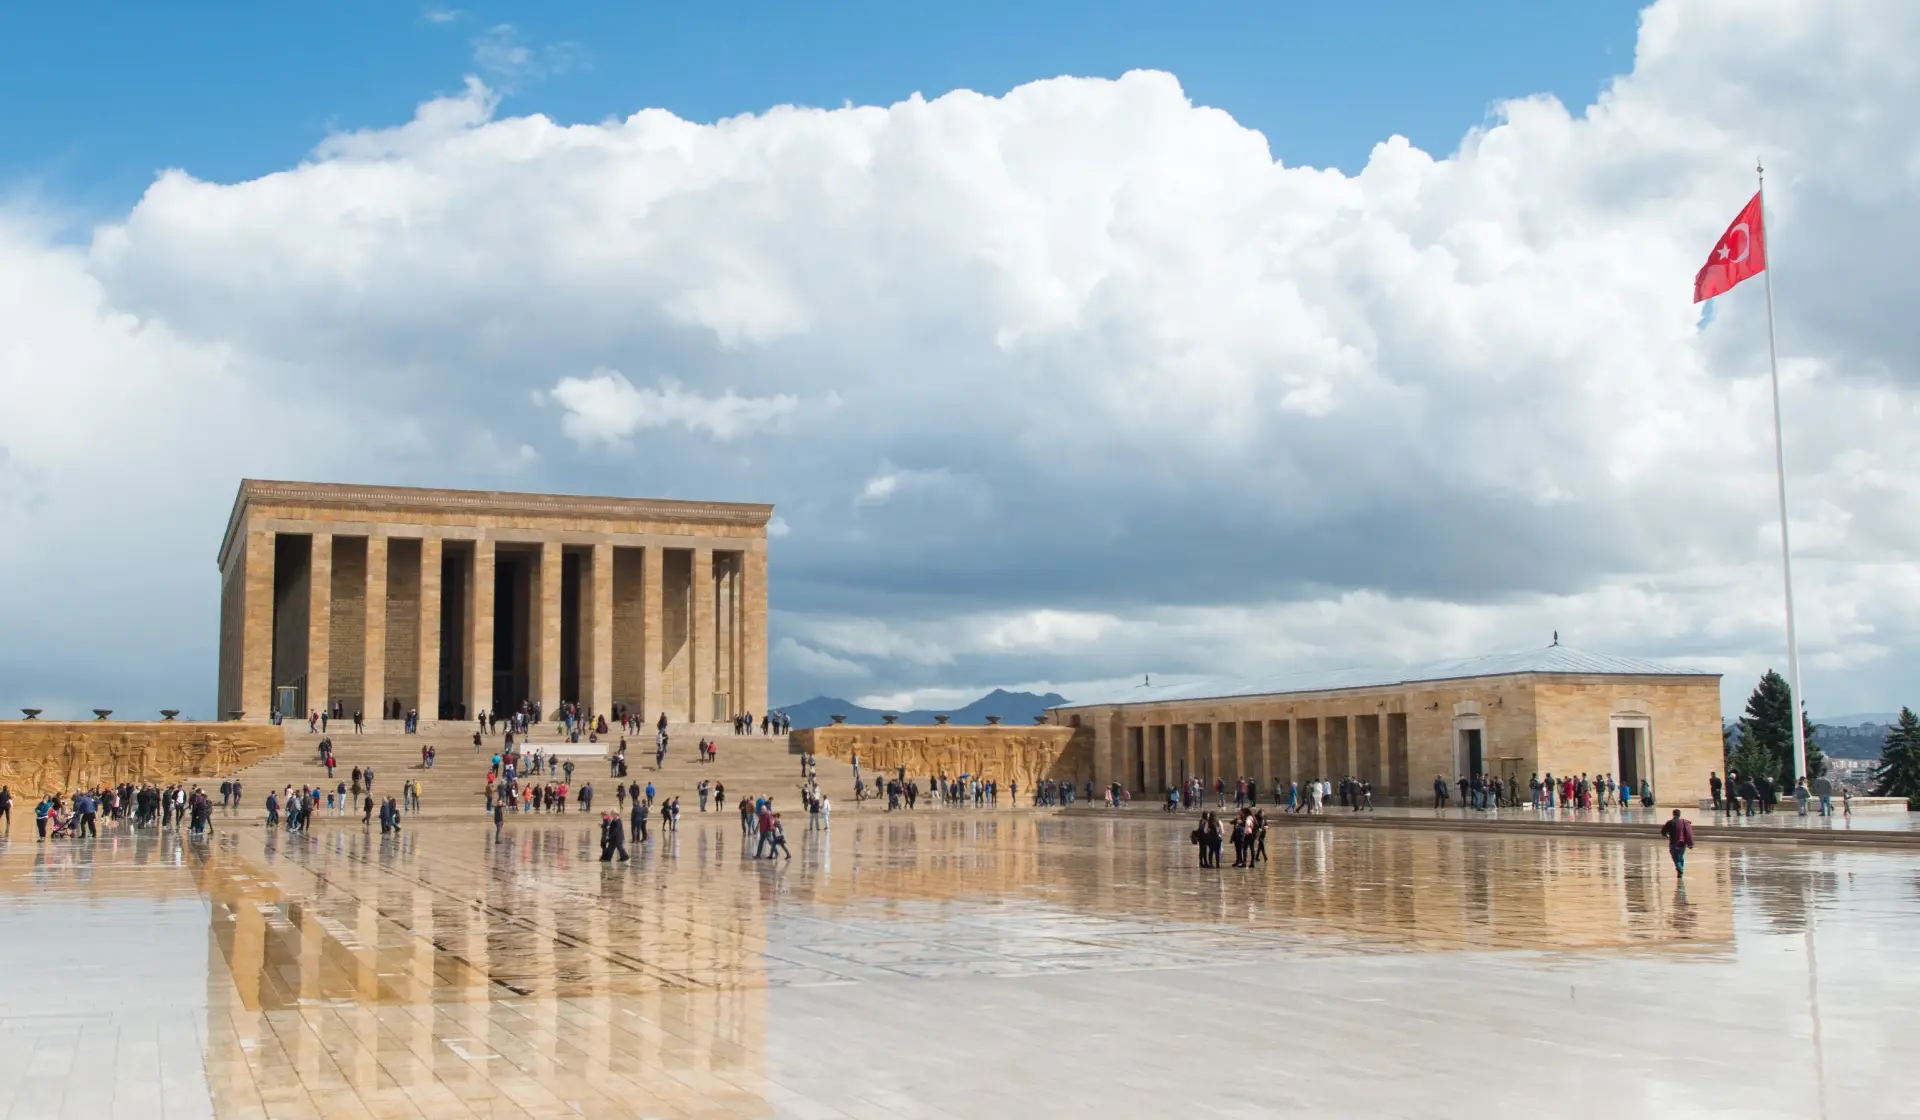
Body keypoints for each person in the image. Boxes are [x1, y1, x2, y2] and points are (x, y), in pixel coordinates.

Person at [1659, 808, 1695, 876]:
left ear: (1673, 814)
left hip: (1673, 842)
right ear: (1679, 815)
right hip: (1683, 843)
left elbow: (1663, 832)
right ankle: (1680, 871)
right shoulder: (1684, 822)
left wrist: (1667, 835)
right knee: (1680, 856)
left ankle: (1680, 869)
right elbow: (1688, 831)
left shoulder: (1670, 822)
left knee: (1675, 857)